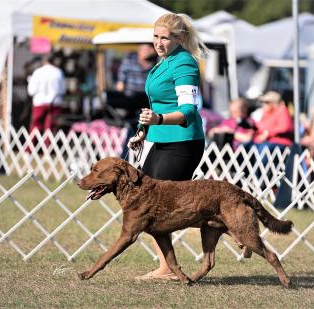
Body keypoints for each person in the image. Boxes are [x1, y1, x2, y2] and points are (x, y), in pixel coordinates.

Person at [127, 13, 206, 280]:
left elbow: (188, 112)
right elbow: (156, 105)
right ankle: (166, 267)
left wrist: (158, 119)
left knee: (159, 206)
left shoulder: (184, 64)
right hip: (160, 139)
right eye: (156, 36)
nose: (159, 42)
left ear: (180, 38)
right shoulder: (163, 63)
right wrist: (143, 131)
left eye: (165, 37)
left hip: (183, 142)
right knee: (149, 203)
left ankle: (230, 227)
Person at [115, 44, 157, 158]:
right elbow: (120, 85)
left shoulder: (155, 65)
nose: (148, 51)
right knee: (134, 128)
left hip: (148, 104)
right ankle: (126, 157)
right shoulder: (129, 62)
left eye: (150, 49)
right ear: (139, 50)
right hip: (131, 104)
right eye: (145, 49)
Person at [27, 54, 66, 141]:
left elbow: (31, 91)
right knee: (51, 127)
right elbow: (63, 90)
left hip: (39, 102)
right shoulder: (59, 72)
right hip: (55, 103)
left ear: (44, 62)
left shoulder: (37, 72)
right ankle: (48, 148)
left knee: (36, 125)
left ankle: (31, 148)